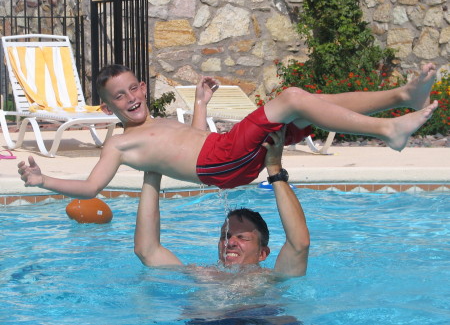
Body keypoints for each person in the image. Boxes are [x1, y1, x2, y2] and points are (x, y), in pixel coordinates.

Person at [17, 63, 438, 196]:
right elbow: (92, 188)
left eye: (133, 89)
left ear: (143, 87)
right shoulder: (120, 142)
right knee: (290, 96)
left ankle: (402, 96)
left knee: (310, 108)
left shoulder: (160, 121)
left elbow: (197, 141)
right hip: (221, 162)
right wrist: (40, 180)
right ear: (107, 106)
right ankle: (389, 131)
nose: (130, 99)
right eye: (119, 97)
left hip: (224, 156)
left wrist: (200, 105)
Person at [134, 127, 310, 277]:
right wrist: (153, 168)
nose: (230, 242)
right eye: (224, 236)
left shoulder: (271, 281)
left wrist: (274, 169)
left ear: (262, 253)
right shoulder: (203, 275)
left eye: (242, 237)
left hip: (257, 318)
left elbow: (299, 243)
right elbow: (147, 250)